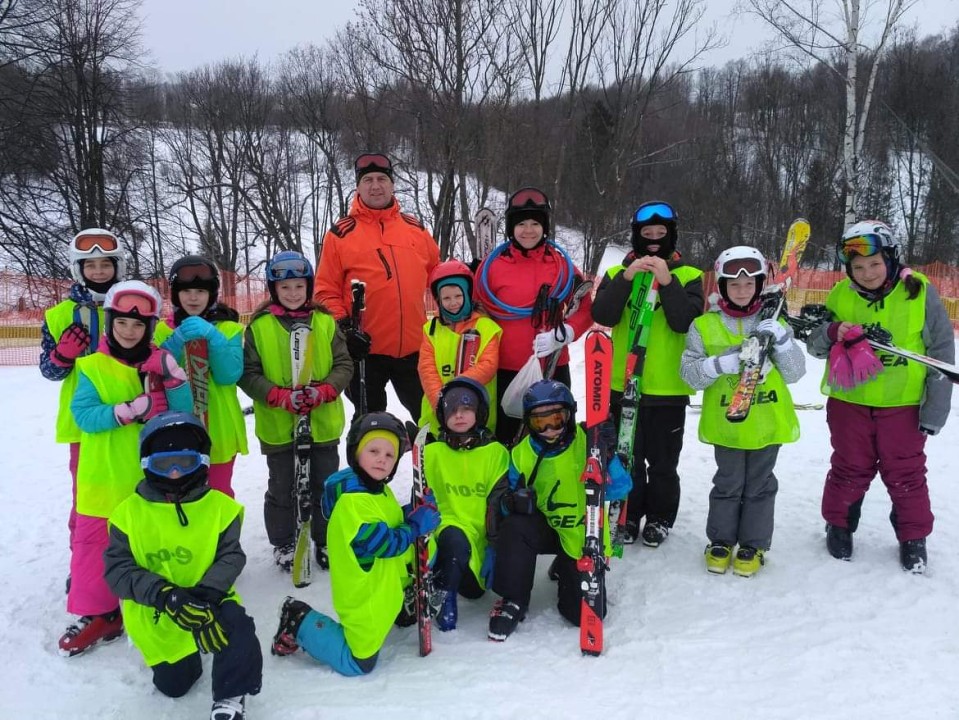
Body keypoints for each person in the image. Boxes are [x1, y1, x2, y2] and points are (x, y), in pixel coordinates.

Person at [804, 220, 954, 574]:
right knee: (848, 467)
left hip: (902, 404)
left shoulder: (919, 290)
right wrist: (829, 330)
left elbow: (941, 349)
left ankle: (912, 537)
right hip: (849, 403)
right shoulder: (841, 294)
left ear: (890, 259)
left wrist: (935, 409)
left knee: (905, 472)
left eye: (874, 264)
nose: (867, 273)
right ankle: (839, 524)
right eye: (858, 267)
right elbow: (816, 346)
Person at [64, 280, 193, 657]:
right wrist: (126, 412)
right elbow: (83, 415)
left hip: (150, 477)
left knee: (152, 542)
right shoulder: (92, 366)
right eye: (122, 323)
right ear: (110, 324)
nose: (129, 331)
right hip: (103, 477)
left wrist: (173, 375)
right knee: (94, 547)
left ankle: (161, 599)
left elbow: (184, 411)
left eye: (138, 326)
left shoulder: (157, 363)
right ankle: (99, 613)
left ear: (150, 329)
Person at [104, 412, 262, 720]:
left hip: (210, 596)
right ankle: (180, 656)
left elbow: (232, 556)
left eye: (185, 463)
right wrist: (167, 596)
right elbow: (118, 570)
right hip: (158, 607)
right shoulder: (128, 514)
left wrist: (207, 593)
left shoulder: (220, 508)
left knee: (239, 628)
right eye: (164, 465)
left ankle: (231, 696)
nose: (175, 473)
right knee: (176, 686)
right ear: (147, 464)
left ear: (201, 461)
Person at [270, 412, 441, 675]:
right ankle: (298, 619)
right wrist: (416, 526)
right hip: (363, 599)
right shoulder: (352, 503)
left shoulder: (378, 490)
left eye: (389, 455)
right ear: (356, 453)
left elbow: (388, 519)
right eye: (373, 450)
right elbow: (383, 543)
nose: (382, 459)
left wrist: (412, 513)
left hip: (382, 589)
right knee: (358, 663)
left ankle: (400, 605)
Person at [679, 246, 806, 576]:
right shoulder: (703, 326)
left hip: (766, 422)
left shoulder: (772, 321)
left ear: (760, 286)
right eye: (733, 285)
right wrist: (724, 363)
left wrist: (781, 342)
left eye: (749, 285)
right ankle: (720, 541)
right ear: (721, 287)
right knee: (728, 483)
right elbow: (689, 374)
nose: (741, 290)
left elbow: (795, 373)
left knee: (760, 485)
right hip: (728, 422)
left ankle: (753, 544)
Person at [591, 200, 704, 548]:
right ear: (636, 236)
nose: (653, 240)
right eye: (646, 234)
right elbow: (604, 315)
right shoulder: (617, 274)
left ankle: (659, 518)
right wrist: (627, 277)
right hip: (621, 386)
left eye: (660, 234)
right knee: (627, 459)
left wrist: (666, 281)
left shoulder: (689, 276)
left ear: (671, 235)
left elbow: (684, 321)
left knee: (663, 463)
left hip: (666, 389)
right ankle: (627, 516)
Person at [486, 380, 630, 641]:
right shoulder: (521, 454)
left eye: (557, 419)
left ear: (569, 415)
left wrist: (607, 457)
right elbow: (502, 506)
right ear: (529, 423)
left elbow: (620, 489)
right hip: (544, 528)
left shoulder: (589, 443)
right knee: (515, 525)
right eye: (541, 422)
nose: (550, 429)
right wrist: (512, 503)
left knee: (579, 615)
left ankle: (566, 565)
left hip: (583, 533)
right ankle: (514, 599)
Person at [238, 250, 352, 573]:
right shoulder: (259, 327)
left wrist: (325, 389)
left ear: (308, 287)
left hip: (322, 422)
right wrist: (276, 395)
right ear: (274, 289)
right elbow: (248, 373)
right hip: (279, 425)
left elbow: (344, 364)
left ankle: (325, 536)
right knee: (283, 486)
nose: (292, 293)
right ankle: (285, 541)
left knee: (324, 483)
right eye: (285, 288)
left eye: (299, 287)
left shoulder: (325, 322)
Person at [314, 153, 440, 420]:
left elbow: (439, 277)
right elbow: (325, 290)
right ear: (358, 187)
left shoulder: (415, 229)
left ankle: (427, 462)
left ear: (392, 184)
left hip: (415, 350)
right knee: (369, 429)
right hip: (365, 352)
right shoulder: (341, 234)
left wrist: (465, 281)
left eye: (382, 179)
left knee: (431, 422)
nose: (375, 186)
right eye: (368, 180)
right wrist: (345, 327)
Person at [474, 187, 593, 445]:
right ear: (511, 228)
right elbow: (476, 310)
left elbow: (585, 308)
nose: (528, 230)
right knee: (507, 438)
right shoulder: (492, 267)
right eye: (521, 224)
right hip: (505, 368)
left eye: (535, 223)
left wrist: (565, 333)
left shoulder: (563, 266)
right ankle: (510, 484)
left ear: (545, 227)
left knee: (555, 435)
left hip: (552, 365)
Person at [39, 229, 126, 565]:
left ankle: (131, 559)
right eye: (91, 265)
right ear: (79, 269)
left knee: (132, 490)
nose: (100, 271)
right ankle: (86, 563)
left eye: (106, 264)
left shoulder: (131, 303)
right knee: (88, 499)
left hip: (127, 415)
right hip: (83, 425)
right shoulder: (59, 315)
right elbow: (49, 370)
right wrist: (62, 355)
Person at [155, 255, 247, 497]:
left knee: (218, 494)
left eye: (200, 291)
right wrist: (174, 342)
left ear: (212, 294)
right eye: (186, 291)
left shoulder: (228, 329)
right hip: (175, 425)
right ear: (175, 295)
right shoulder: (162, 331)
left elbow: (229, 375)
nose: (193, 297)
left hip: (219, 427)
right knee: (179, 494)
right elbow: (155, 373)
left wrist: (213, 338)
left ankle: (223, 535)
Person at [423, 378, 509, 631]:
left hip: (479, 538)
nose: (458, 416)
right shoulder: (432, 452)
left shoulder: (495, 453)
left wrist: (495, 547)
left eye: (466, 409)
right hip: (444, 530)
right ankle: (442, 595)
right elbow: (422, 498)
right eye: (452, 410)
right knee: (454, 538)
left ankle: (454, 578)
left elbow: (498, 503)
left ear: (479, 412)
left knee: (473, 591)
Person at [418, 260, 502, 432]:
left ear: (467, 294)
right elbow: (427, 369)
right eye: (446, 298)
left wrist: (455, 391)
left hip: (476, 412)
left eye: (458, 296)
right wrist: (441, 404)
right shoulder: (431, 330)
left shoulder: (486, 327)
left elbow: (488, 365)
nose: (453, 302)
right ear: (438, 300)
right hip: (438, 416)